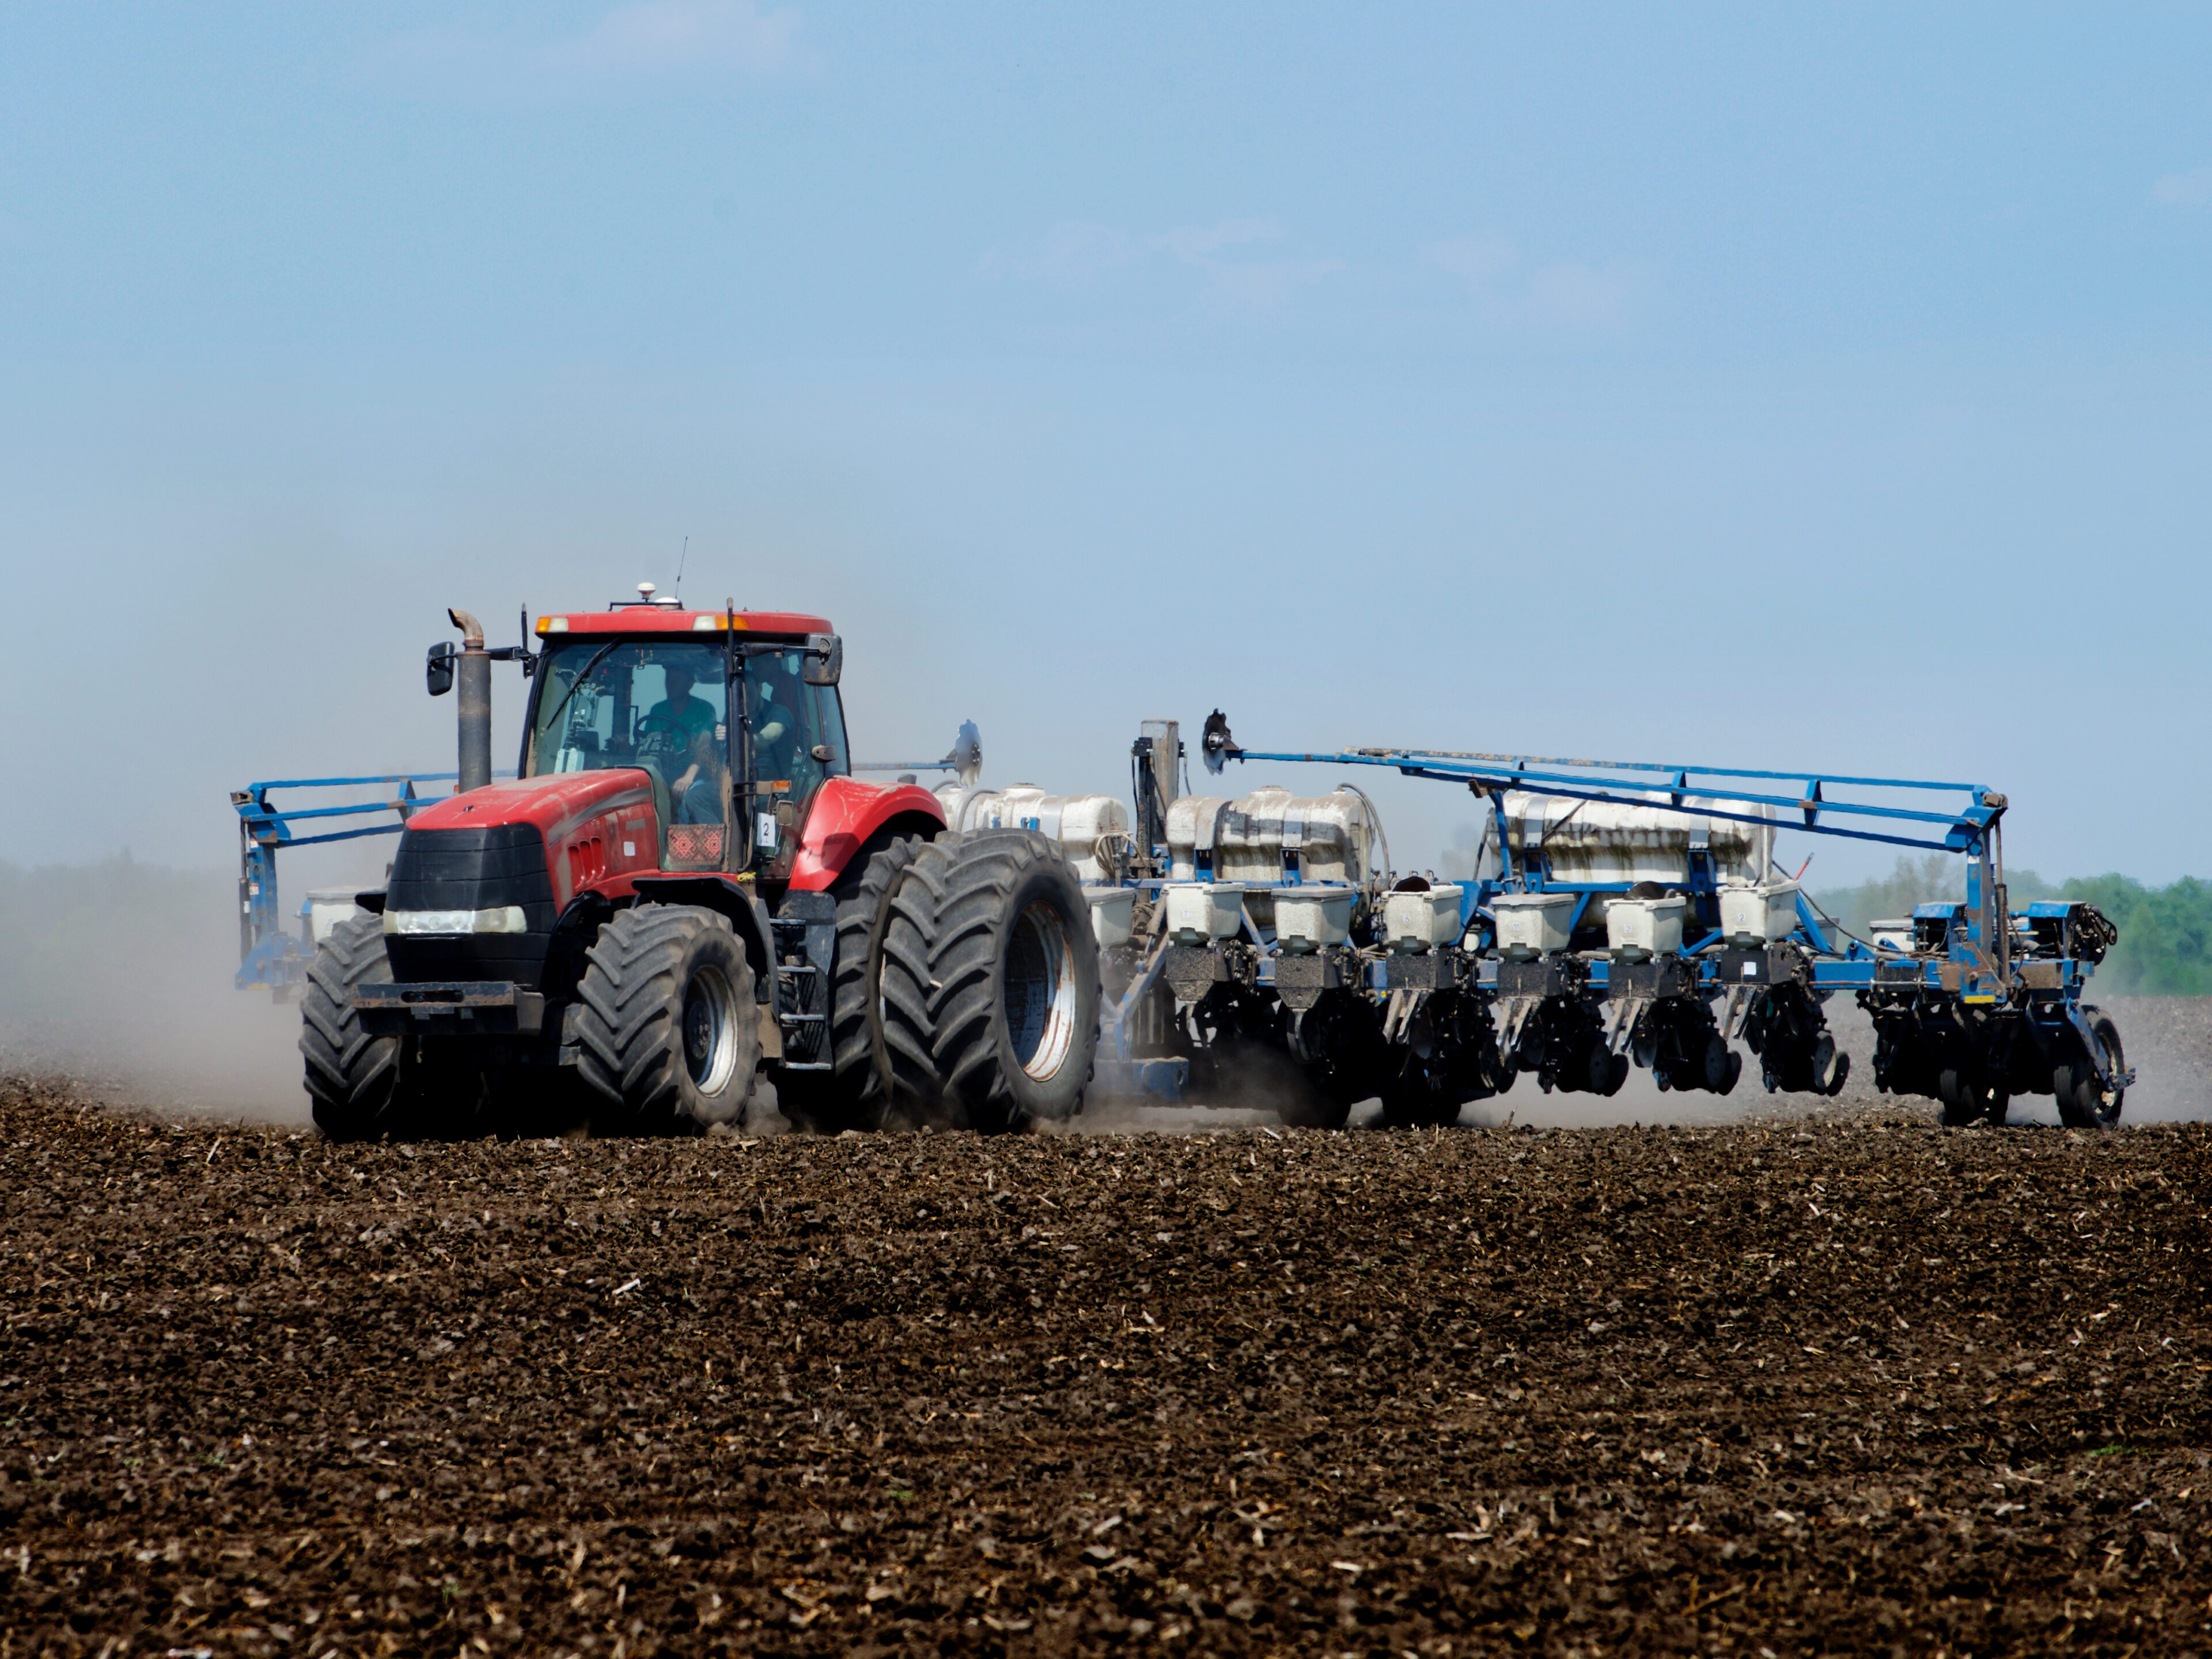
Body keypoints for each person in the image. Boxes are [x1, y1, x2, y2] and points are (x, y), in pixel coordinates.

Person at [673, 727, 726, 825]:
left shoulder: (704, 715)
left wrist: (689, 776)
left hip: (720, 778)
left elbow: (705, 746)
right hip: (670, 768)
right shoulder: (658, 711)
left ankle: (717, 838)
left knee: (693, 796)